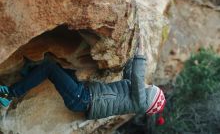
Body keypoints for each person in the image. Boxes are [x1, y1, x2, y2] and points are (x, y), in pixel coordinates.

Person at [0, 36, 166, 120]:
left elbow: (137, 77)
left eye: (150, 88)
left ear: (150, 97)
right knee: (60, 66)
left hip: (82, 99)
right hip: (83, 95)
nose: (147, 85)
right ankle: (28, 73)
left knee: (49, 69)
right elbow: (130, 75)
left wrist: (141, 54)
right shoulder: (135, 97)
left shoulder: (140, 102)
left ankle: (9, 95)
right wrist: (134, 48)